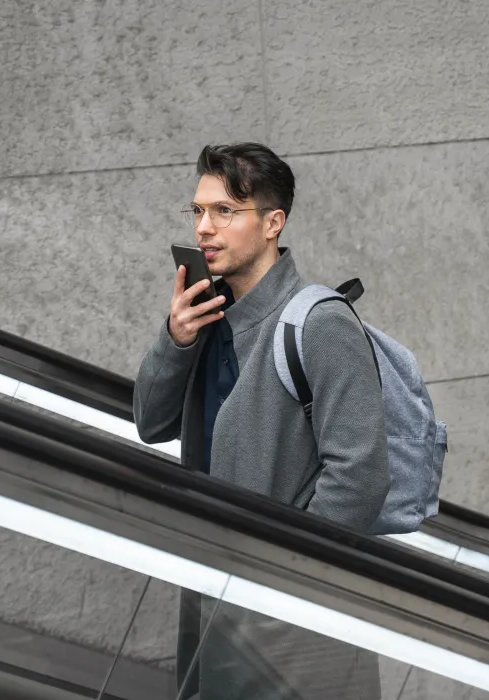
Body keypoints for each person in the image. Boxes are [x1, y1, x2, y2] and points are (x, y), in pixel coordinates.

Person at [133, 143, 391, 700]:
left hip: (289, 620)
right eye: (198, 211)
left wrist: (285, 581)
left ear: (273, 222)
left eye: (225, 211)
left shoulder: (319, 324)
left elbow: (361, 476)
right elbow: (151, 424)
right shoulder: (207, 318)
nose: (205, 227)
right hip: (215, 592)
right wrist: (175, 339)